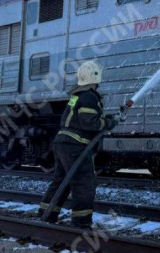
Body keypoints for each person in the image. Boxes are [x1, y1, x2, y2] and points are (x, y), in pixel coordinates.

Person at [39, 60, 118, 228]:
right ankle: (81, 221)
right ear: (96, 77)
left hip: (63, 142)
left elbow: (81, 119)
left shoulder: (77, 95)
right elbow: (89, 123)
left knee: (61, 180)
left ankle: (47, 213)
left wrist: (108, 120)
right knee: (83, 182)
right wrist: (109, 123)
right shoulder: (89, 96)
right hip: (75, 144)